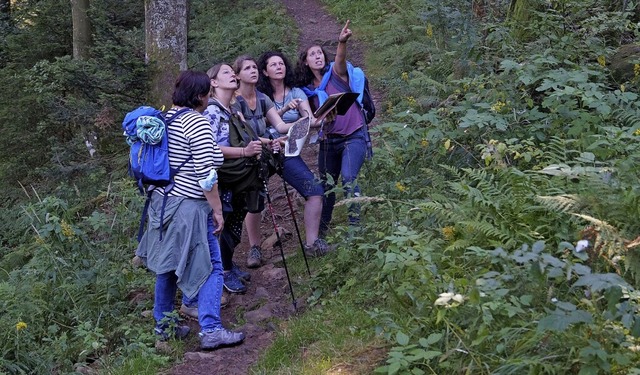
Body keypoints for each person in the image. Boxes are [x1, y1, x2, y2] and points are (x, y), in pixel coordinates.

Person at [135, 70, 245, 350]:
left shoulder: (165, 119)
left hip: (162, 204)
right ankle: (211, 330)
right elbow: (207, 174)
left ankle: (165, 326)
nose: (209, 97)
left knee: (167, 264)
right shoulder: (196, 122)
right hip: (188, 207)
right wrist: (218, 210)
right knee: (213, 266)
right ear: (199, 96)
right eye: (207, 92)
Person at [202, 62, 277, 294]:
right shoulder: (212, 112)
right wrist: (244, 152)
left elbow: (247, 136)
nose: (233, 75)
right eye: (226, 72)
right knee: (223, 223)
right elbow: (209, 147)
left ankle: (227, 264)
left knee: (235, 220)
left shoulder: (231, 110)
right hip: (224, 175)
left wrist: (268, 142)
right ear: (213, 82)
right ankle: (222, 272)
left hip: (238, 175)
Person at [294, 20, 371, 236]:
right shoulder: (306, 91)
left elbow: (340, 59)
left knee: (348, 178)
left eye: (320, 53)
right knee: (326, 187)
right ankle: (322, 233)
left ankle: (356, 229)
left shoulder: (337, 74)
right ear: (305, 62)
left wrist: (341, 42)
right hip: (328, 141)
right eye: (313, 54)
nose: (318, 56)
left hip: (353, 136)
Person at [256, 50, 333, 257]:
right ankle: (254, 248)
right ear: (264, 71)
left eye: (281, 63)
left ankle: (312, 244)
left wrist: (325, 117)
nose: (279, 67)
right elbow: (255, 125)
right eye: (273, 65)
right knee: (252, 199)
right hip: (260, 152)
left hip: (287, 152)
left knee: (315, 190)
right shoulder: (259, 97)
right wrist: (289, 120)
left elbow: (309, 120)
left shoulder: (297, 93)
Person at [231, 55, 288, 269]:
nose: (253, 71)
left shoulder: (263, 98)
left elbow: (280, 125)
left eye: (255, 67)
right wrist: (271, 140)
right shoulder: (234, 101)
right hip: (243, 159)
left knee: (257, 199)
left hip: (263, 155)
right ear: (238, 75)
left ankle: (252, 247)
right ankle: (251, 247)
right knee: (251, 203)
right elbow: (246, 135)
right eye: (247, 68)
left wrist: (307, 123)